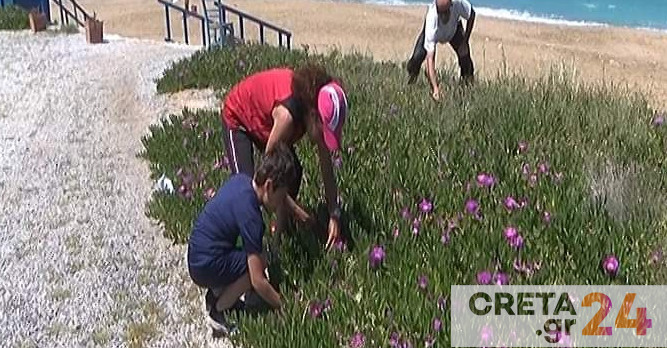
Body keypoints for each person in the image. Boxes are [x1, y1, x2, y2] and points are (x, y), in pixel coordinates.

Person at [220, 64, 348, 249]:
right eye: (323, 133)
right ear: (313, 116)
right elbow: (266, 174)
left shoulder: (320, 103)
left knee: (293, 172)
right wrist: (297, 211)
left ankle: (278, 238)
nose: (322, 139)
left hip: (267, 126)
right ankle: (247, 252)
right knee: (247, 190)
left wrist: (334, 214)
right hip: (239, 118)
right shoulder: (287, 118)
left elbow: (326, 168)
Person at [187, 143, 296, 335]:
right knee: (257, 264)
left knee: (257, 254)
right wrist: (284, 305)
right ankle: (219, 310)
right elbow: (257, 279)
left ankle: (220, 291)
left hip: (197, 254)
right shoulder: (251, 215)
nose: (280, 202)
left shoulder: (241, 180)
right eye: (281, 196)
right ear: (269, 186)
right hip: (205, 265)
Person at [406, 0, 476, 101]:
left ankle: (466, 91)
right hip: (437, 31)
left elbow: (472, 15)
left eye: (445, 12)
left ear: (451, 5)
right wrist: (435, 89)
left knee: (466, 59)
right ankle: (410, 85)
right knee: (417, 57)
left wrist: (465, 40)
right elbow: (430, 59)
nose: (443, 16)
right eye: (440, 13)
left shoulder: (458, 3)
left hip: (454, 30)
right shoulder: (432, 17)